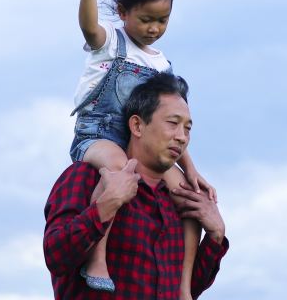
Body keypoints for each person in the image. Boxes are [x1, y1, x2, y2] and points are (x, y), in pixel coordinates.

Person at [66, 0, 216, 298]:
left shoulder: (161, 64)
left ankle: (183, 288)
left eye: (162, 20)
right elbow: (89, 26)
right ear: (123, 12)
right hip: (99, 135)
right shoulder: (110, 44)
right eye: (146, 19)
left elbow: (168, 121)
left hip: (144, 144)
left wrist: (190, 168)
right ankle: (97, 259)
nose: (154, 28)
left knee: (188, 198)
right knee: (122, 168)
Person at [44, 73, 228, 299]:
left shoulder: (180, 201)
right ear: (137, 125)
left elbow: (186, 290)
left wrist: (216, 235)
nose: (182, 137)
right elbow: (56, 257)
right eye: (172, 123)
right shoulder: (88, 176)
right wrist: (104, 206)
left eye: (188, 128)